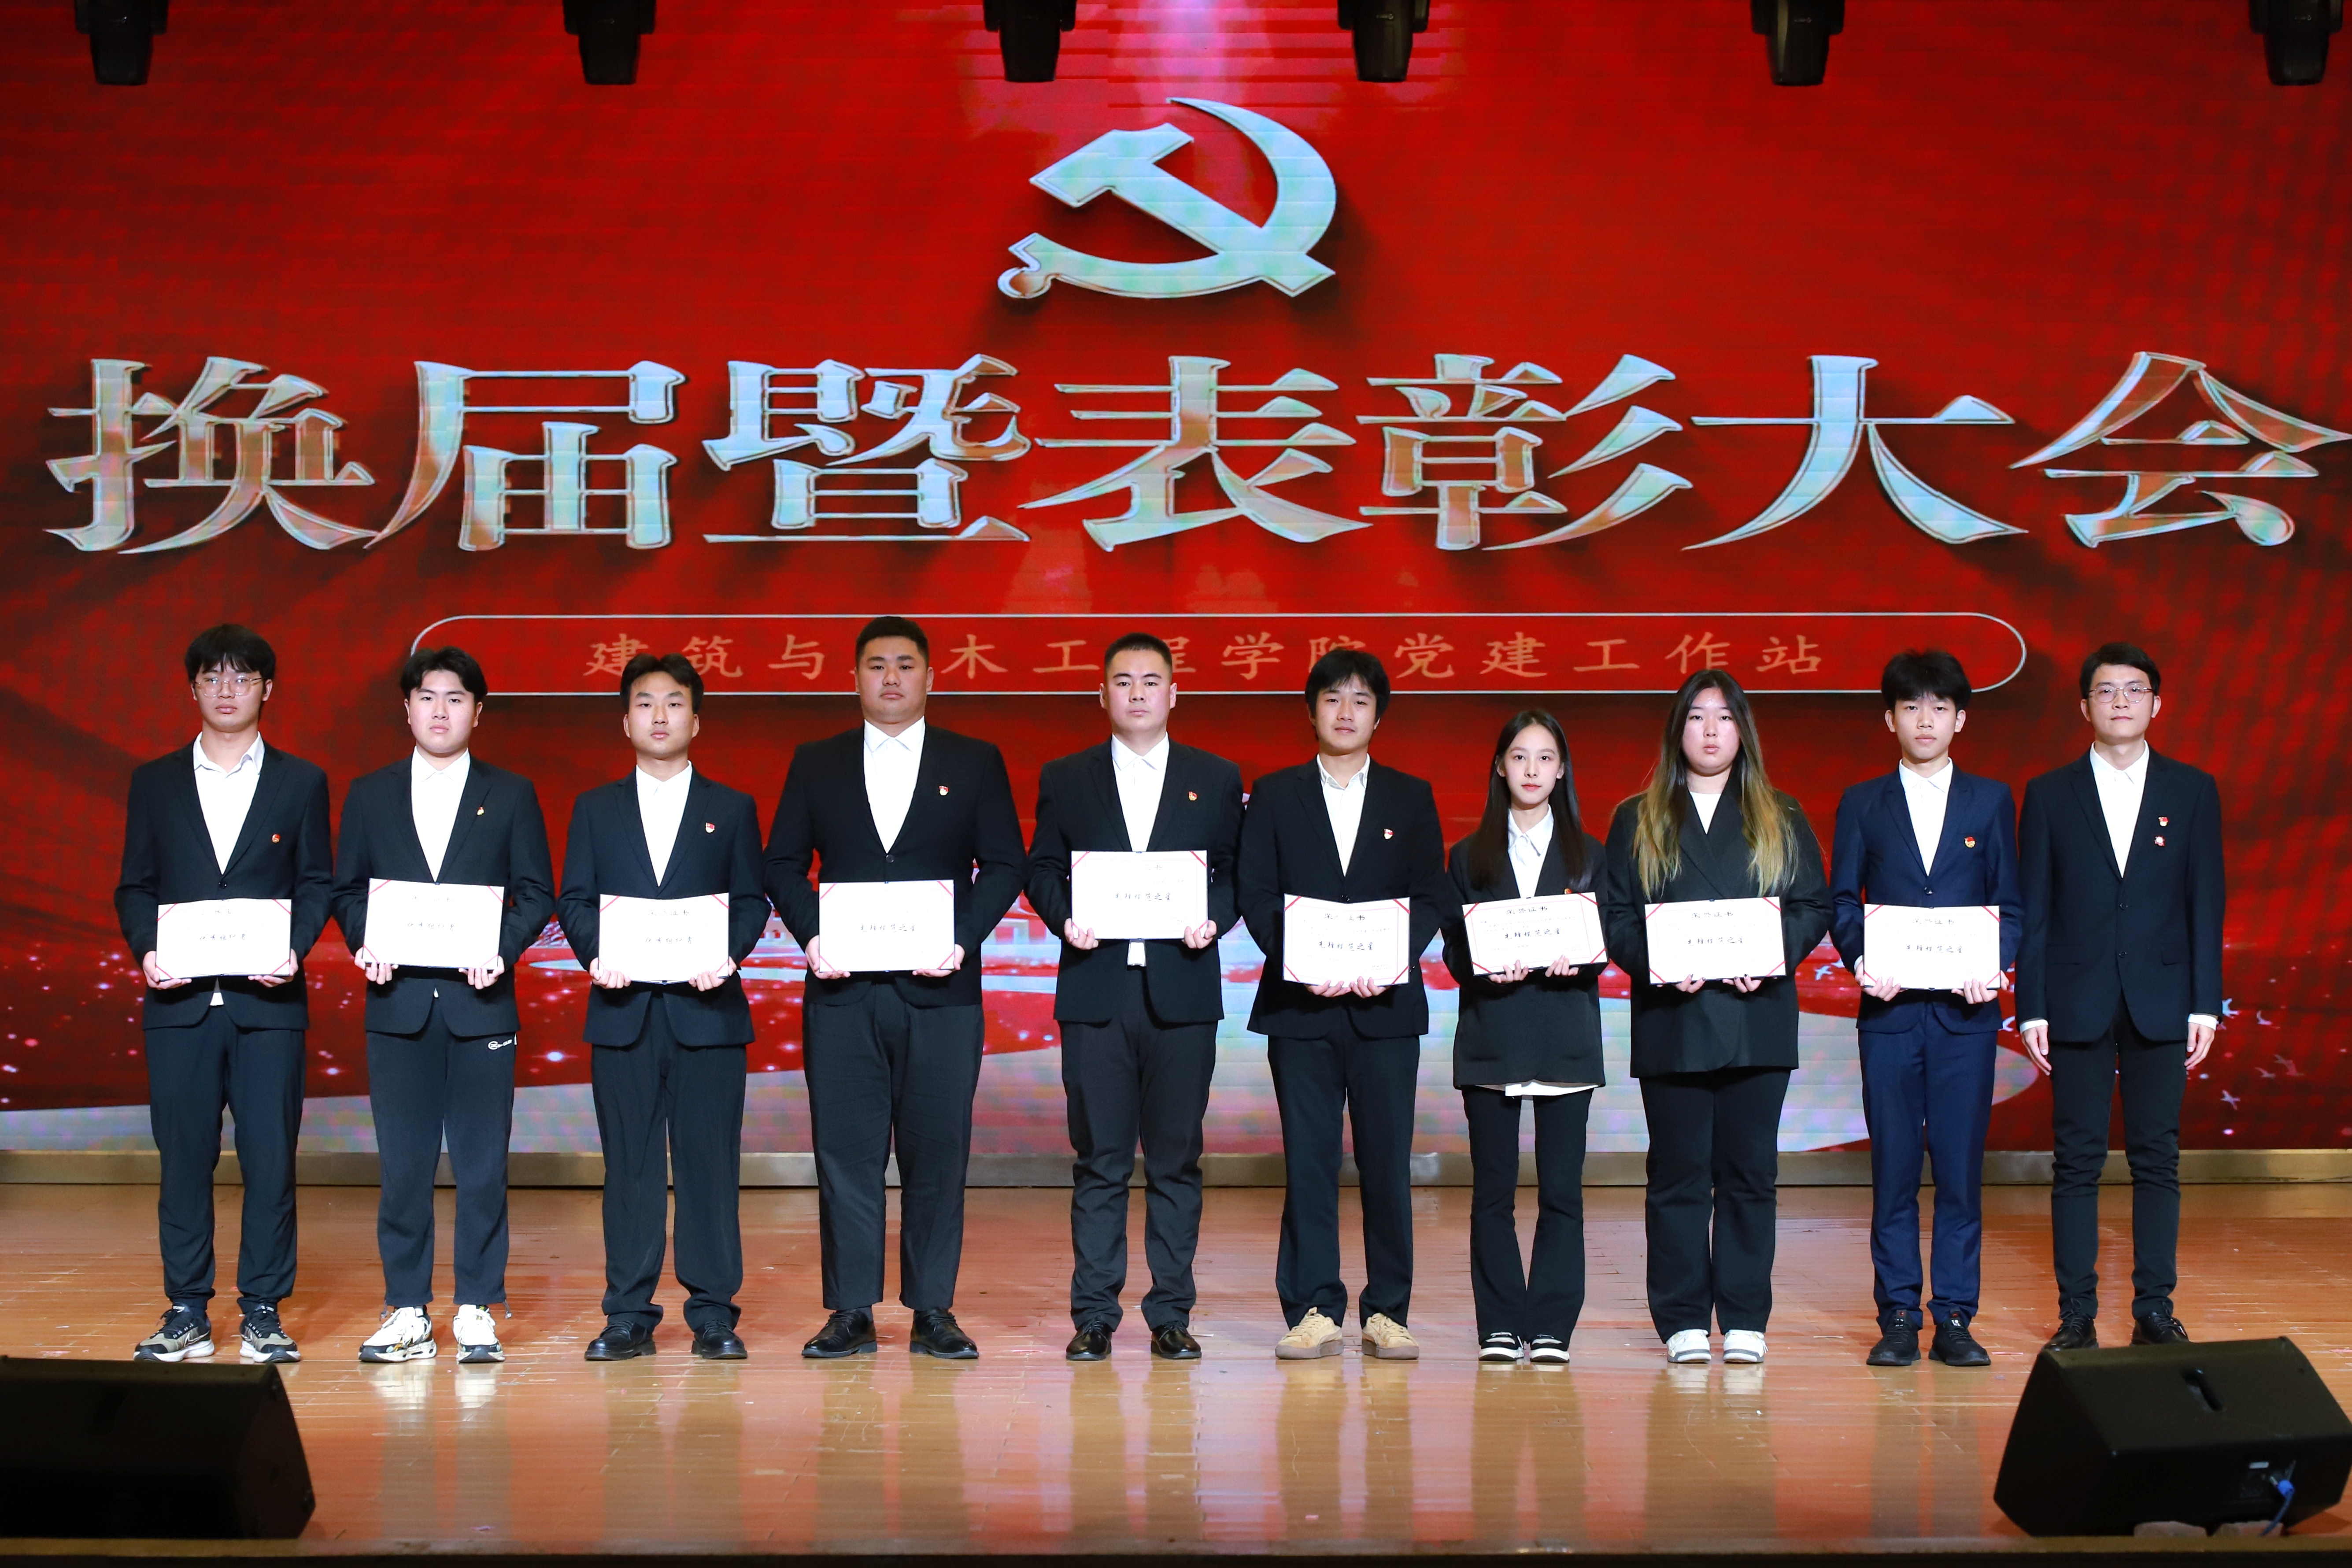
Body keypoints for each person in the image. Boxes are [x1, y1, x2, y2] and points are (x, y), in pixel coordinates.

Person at [764, 616, 1027, 1361]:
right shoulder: (817, 762)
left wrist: (960, 938)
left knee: (938, 1153)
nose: (890, 677)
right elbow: (781, 863)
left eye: (905, 664)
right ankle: (851, 1310)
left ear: (931, 677)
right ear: (854, 677)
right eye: (876, 664)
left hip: (942, 993)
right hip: (842, 992)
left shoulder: (973, 761)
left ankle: (933, 1309)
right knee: (845, 1154)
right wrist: (814, 936)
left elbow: (1005, 863)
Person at [1025, 632, 1245, 1363]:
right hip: (1097, 990)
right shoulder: (1067, 776)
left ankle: (1170, 1313)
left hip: (1183, 991)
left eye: (1152, 681)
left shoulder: (1215, 777)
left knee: (1177, 1160)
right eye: (1124, 681)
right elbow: (1042, 867)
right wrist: (1066, 918)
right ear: (1103, 695)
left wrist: (1216, 916)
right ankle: (1094, 1315)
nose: (1139, 693)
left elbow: (1235, 872)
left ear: (1174, 694)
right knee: (1101, 1160)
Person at [115, 625, 332, 1365]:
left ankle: (264, 1311)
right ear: (193, 690)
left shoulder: (301, 782)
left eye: (243, 678)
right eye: (212, 677)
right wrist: (148, 949)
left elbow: (316, 882)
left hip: (268, 1004)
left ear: (268, 689)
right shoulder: (156, 781)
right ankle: (186, 1309)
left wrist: (293, 947)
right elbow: (135, 885)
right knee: (183, 1160)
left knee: (270, 1160)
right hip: (179, 1005)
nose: (227, 690)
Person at [331, 646, 554, 1365]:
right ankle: (406, 1309)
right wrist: (366, 940)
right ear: (407, 708)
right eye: (427, 696)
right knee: (403, 1168)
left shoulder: (511, 793)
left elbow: (537, 892)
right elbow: (346, 890)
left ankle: (477, 1307)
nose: (440, 710)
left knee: (483, 1166)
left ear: (477, 712)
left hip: (481, 1004)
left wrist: (502, 948)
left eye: (456, 698)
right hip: (397, 1004)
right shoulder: (370, 793)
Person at [1601, 669, 1829, 1367]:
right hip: (1675, 1021)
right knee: (1677, 1176)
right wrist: (1662, 962)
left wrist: (1770, 954)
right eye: (1697, 716)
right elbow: (1616, 917)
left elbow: (1812, 905)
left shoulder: (1780, 813)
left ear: (1742, 731)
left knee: (1749, 1175)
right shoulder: (1637, 817)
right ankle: (1682, 1321)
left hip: (1757, 1020)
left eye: (1724, 717)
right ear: (1678, 729)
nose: (1709, 730)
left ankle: (1746, 1316)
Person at [1236, 649, 1450, 1362]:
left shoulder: (1410, 797)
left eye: (1360, 700)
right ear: (1312, 711)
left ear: (1378, 715)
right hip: (1300, 1011)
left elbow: (1431, 895)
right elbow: (1256, 893)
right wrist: (1304, 963)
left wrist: (1385, 962)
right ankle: (1313, 1309)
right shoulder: (1274, 794)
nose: (1346, 712)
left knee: (1387, 1163)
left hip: (1386, 1011)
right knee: (1309, 1161)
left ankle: (1387, 1310)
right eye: (1332, 699)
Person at [555, 653, 769, 1361]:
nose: (659, 715)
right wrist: (596, 955)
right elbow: (575, 900)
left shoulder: (732, 808)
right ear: (625, 721)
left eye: (674, 703)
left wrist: (728, 955)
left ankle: (713, 1313)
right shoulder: (595, 807)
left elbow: (750, 901)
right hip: (624, 1013)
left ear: (695, 721)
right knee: (630, 1169)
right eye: (645, 703)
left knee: (710, 1166)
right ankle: (628, 1314)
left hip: (709, 1013)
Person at [2018, 642, 2223, 1350]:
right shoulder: (2050, 793)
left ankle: (2154, 1310)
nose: (2121, 702)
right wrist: (2031, 1005)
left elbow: (2206, 903)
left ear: (2156, 704)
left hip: (2163, 998)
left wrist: (2205, 1003)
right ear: (2085, 707)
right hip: (2074, 997)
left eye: (2135, 690)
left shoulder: (2192, 790)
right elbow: (2035, 909)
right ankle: (2076, 1314)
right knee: (2076, 1160)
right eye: (2106, 691)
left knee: (2157, 1159)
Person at [1828, 650, 2019, 1370]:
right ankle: (1900, 1314)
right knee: (1895, 1172)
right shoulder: (1862, 802)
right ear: (1890, 719)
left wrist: (1994, 965)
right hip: (1891, 1015)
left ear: (1961, 719)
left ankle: (1957, 1316)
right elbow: (1843, 902)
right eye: (1911, 707)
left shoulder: (1991, 800)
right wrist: (1860, 959)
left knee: (1961, 1173)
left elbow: (2011, 904)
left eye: (1940, 707)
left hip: (1967, 1018)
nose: (1926, 720)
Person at [1439, 710, 1607, 1366]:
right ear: (1500, 768)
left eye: (1545, 758)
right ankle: (1501, 1324)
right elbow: (1455, 949)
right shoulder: (1468, 856)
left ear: (1562, 770)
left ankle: (1553, 1326)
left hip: (1565, 1035)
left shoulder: (1591, 854)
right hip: (1494, 1034)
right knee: (1493, 1192)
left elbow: (1608, 940)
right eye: (1519, 756)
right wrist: (1483, 966)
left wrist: (1582, 959)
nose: (1531, 770)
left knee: (1563, 1191)